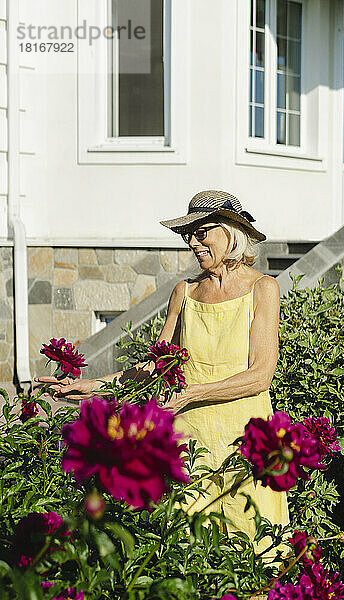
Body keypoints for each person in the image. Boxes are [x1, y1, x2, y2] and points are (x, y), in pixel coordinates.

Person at [36, 190, 290, 556]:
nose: (192, 242)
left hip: (246, 440)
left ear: (231, 232)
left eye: (202, 232)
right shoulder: (183, 292)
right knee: (192, 554)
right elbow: (157, 367)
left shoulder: (263, 288)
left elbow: (261, 374)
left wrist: (193, 393)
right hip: (191, 443)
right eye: (188, 234)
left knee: (254, 549)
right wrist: (94, 386)